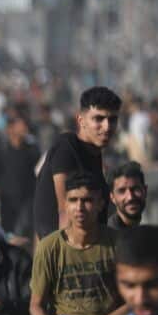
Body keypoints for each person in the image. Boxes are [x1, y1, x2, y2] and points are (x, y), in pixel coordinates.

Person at [30, 174, 126, 315]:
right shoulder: (49, 247)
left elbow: (133, 303)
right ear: (65, 204)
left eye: (87, 200)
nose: (79, 207)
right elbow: (35, 306)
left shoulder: (117, 244)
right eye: (73, 200)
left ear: (101, 204)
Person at [33, 86, 121, 239]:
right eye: (98, 119)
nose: (107, 127)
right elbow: (66, 213)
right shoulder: (67, 148)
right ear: (81, 120)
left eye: (112, 119)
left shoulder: (94, 153)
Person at [0, 112, 40, 241]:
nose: (24, 128)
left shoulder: (32, 149)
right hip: (7, 199)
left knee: (25, 230)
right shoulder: (2, 150)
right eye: (20, 125)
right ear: (11, 128)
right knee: (8, 232)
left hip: (27, 199)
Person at [107, 161, 149, 231]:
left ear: (145, 191)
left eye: (135, 189)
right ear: (112, 197)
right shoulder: (107, 235)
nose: (130, 197)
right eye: (122, 191)